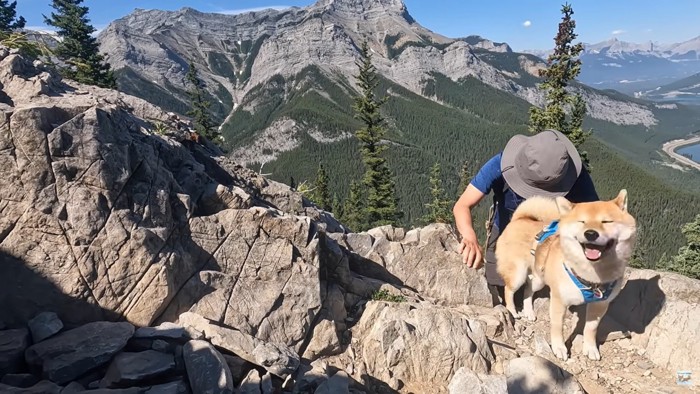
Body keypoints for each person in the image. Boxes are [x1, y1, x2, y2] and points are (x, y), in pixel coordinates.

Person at [453, 129, 599, 306]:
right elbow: (462, 206)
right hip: (506, 236)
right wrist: (469, 236)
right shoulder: (500, 165)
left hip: (552, 242)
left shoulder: (574, 174)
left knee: (541, 293)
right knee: (498, 282)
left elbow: (593, 218)